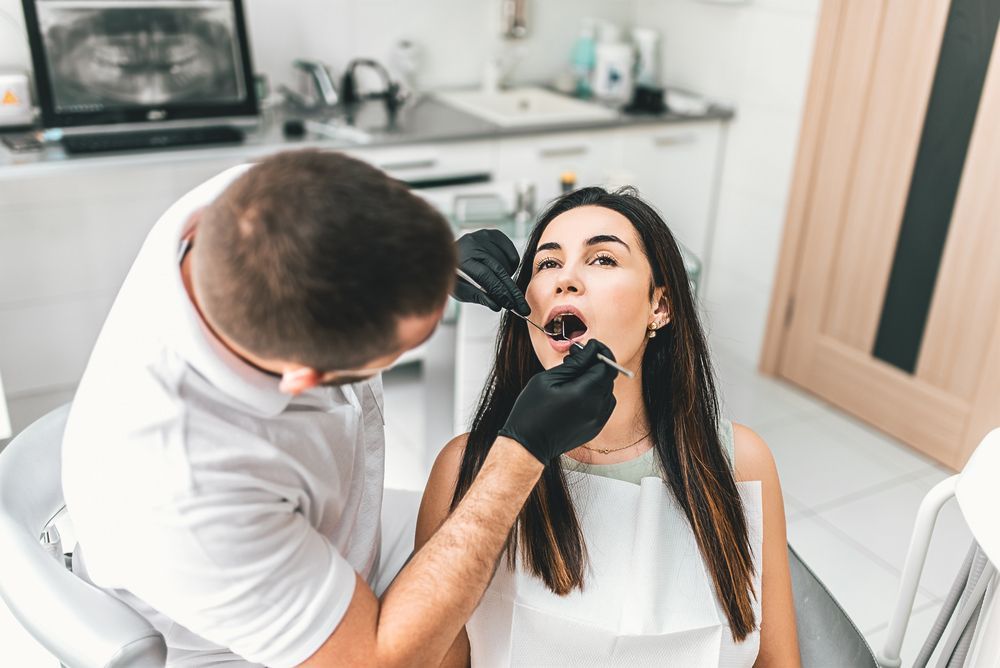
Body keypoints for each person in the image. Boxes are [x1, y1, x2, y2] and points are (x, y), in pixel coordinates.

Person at [61, 149, 619, 667]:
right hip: (234, 647)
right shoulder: (187, 487)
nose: (566, 280)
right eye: (406, 345)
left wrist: (432, 263)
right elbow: (375, 659)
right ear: (306, 379)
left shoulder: (260, 204)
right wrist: (522, 451)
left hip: (335, 532)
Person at [417, 186, 802, 666]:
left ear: (659, 307)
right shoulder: (463, 467)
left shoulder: (740, 462)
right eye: (547, 264)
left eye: (601, 260)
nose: (567, 279)